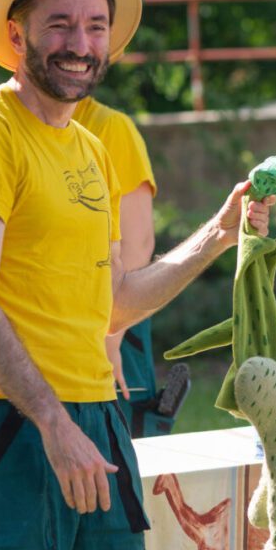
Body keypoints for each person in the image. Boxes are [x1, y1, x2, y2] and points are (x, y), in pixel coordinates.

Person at [0, 0, 275, 550]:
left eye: (94, 27)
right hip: (7, 422)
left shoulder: (90, 148)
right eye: (59, 25)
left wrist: (219, 234)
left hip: (98, 422)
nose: (80, 45)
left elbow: (114, 303)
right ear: (17, 36)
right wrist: (54, 425)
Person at [72, 96, 173, 437]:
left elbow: (138, 243)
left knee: (119, 445)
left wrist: (110, 334)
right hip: (66, 329)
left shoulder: (110, 127)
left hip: (112, 324)